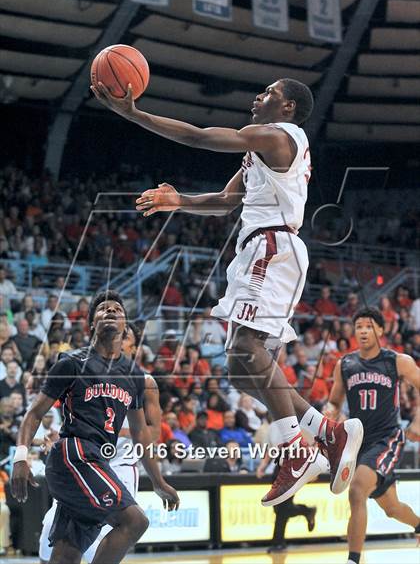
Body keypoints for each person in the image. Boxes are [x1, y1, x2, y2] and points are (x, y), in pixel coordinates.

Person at [94, 78, 363, 506]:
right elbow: (225, 201)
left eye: (269, 94)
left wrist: (134, 114)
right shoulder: (260, 151)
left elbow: (199, 136)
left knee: (244, 349)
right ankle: (326, 431)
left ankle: (296, 452)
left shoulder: (279, 137)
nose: (258, 97)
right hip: (262, 248)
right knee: (239, 371)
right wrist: (179, 201)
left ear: (288, 106)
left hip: (271, 246)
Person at [11, 290, 178, 564]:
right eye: (102, 309)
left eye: (117, 309)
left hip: (99, 461)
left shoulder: (135, 376)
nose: (110, 311)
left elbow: (140, 433)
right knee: (135, 522)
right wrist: (20, 458)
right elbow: (34, 413)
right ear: (91, 324)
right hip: (73, 454)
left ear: (125, 326)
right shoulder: (71, 363)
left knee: (67, 555)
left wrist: (158, 482)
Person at [38, 321, 161, 564]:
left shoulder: (142, 380)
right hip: (84, 459)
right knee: (52, 528)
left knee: (117, 528)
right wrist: (63, 435)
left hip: (120, 462)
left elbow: (153, 432)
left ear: (133, 346)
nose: (119, 338)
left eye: (126, 337)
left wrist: (111, 434)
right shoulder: (87, 369)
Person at [326, 307, 420, 564]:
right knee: (392, 509)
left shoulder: (397, 361)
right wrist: (327, 415)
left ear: (380, 330)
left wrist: (418, 422)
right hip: (359, 443)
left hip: (387, 438)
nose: (364, 331)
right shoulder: (344, 364)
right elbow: (334, 403)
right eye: (359, 327)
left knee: (357, 490)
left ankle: (353, 560)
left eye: (369, 326)